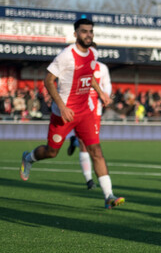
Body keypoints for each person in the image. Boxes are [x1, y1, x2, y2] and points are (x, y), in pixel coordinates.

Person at [19, 18, 125, 209]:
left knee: (96, 152)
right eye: (84, 31)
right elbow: (48, 80)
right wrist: (61, 106)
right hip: (63, 114)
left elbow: (89, 75)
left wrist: (100, 92)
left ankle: (109, 196)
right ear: (76, 34)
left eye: (91, 31)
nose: (88, 35)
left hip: (85, 112)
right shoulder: (66, 55)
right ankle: (28, 158)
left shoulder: (93, 53)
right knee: (51, 152)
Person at [65, 60, 112, 190]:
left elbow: (107, 84)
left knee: (93, 145)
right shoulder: (77, 65)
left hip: (96, 110)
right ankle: (89, 180)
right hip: (80, 108)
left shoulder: (102, 67)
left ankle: (74, 141)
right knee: (84, 144)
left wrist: (106, 95)